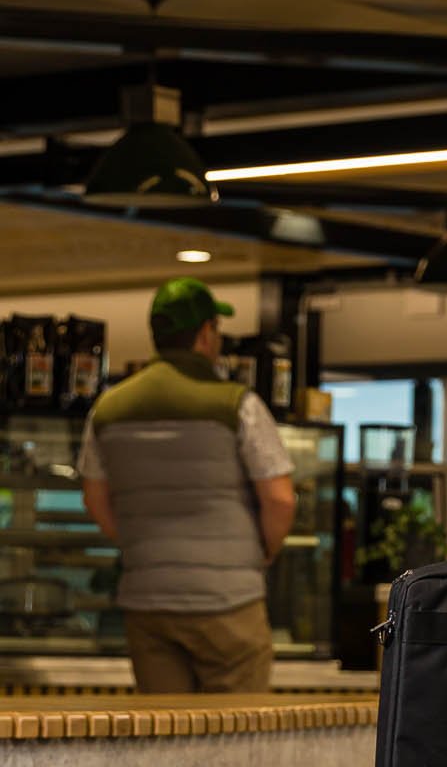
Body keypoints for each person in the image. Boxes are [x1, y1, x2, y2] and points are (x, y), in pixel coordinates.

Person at [77, 277, 296, 693]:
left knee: (167, 740)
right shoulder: (238, 404)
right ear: (205, 334)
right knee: (238, 737)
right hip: (228, 601)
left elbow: (94, 497)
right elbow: (280, 498)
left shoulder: (107, 408)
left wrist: (140, 547)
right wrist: (261, 552)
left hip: (147, 602)